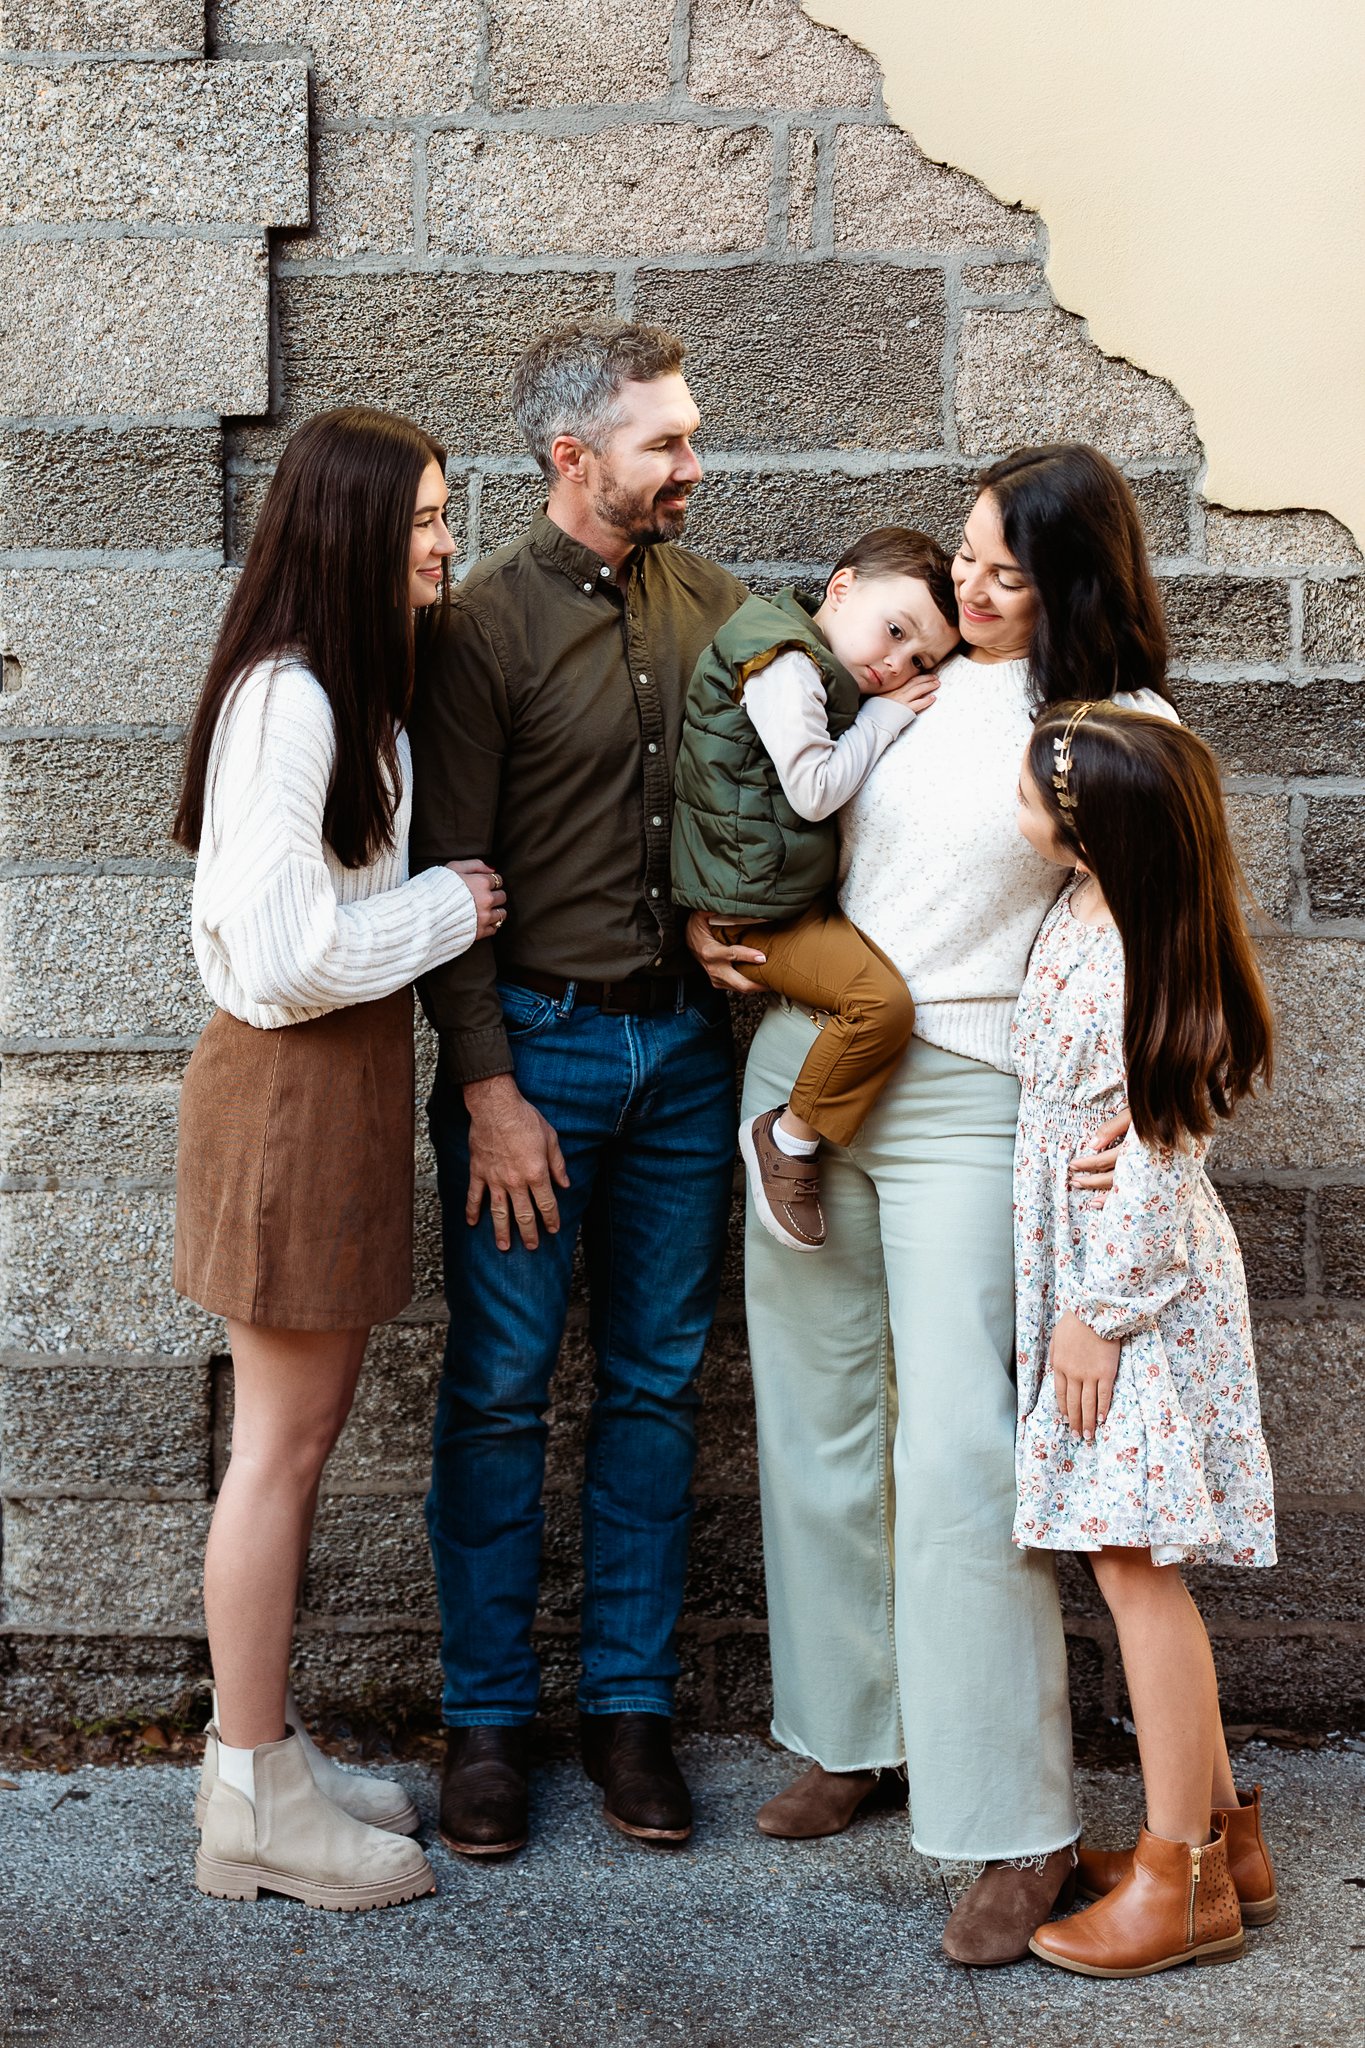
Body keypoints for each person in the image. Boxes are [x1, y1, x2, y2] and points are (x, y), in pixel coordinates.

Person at [689, 442, 1180, 1965]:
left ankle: (1013, 1823)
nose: (965, 587)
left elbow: (1181, 945)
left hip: (971, 1091)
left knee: (964, 1446)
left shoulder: (1117, 726)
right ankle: (853, 1731)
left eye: (1004, 573)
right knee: (816, 1415)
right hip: (802, 1065)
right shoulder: (901, 679)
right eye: (964, 554)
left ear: (1073, 585)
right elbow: (782, 826)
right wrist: (724, 930)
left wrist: (1160, 1112)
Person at [408, 320, 749, 1858]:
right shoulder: (480, 630)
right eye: (665, 442)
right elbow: (447, 877)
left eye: (689, 436)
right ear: (572, 459)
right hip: (533, 1058)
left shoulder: (717, 607)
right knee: (496, 1390)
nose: (693, 465)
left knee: (656, 1390)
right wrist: (488, 1090)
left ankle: (629, 1713)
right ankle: (484, 1723)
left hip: (683, 1059)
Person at [173, 405, 505, 1911]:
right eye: (425, 518)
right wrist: (451, 907)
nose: (446, 541)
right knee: (279, 1454)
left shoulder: (337, 686)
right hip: (292, 1096)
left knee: (290, 1447)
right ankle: (251, 1803)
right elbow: (283, 953)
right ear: (357, 528)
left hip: (333, 1089)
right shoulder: (293, 697)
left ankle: (263, 1760)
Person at [1013, 702, 1276, 1976]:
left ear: (1093, 831)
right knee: (1126, 1553)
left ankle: (1179, 1879)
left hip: (1132, 1299)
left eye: (1033, 795)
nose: (1016, 810)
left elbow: (1161, 1165)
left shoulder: (1143, 960)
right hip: (1097, 1273)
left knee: (1132, 1561)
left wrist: (1095, 1315)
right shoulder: (1086, 908)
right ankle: (1227, 1842)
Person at [672, 528, 959, 1251]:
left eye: (919, 662)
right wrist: (885, 718)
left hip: (774, 893)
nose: (895, 665)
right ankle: (787, 1141)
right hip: (756, 911)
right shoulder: (784, 664)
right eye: (895, 631)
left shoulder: (801, 654)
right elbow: (813, 789)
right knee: (880, 1007)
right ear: (842, 587)